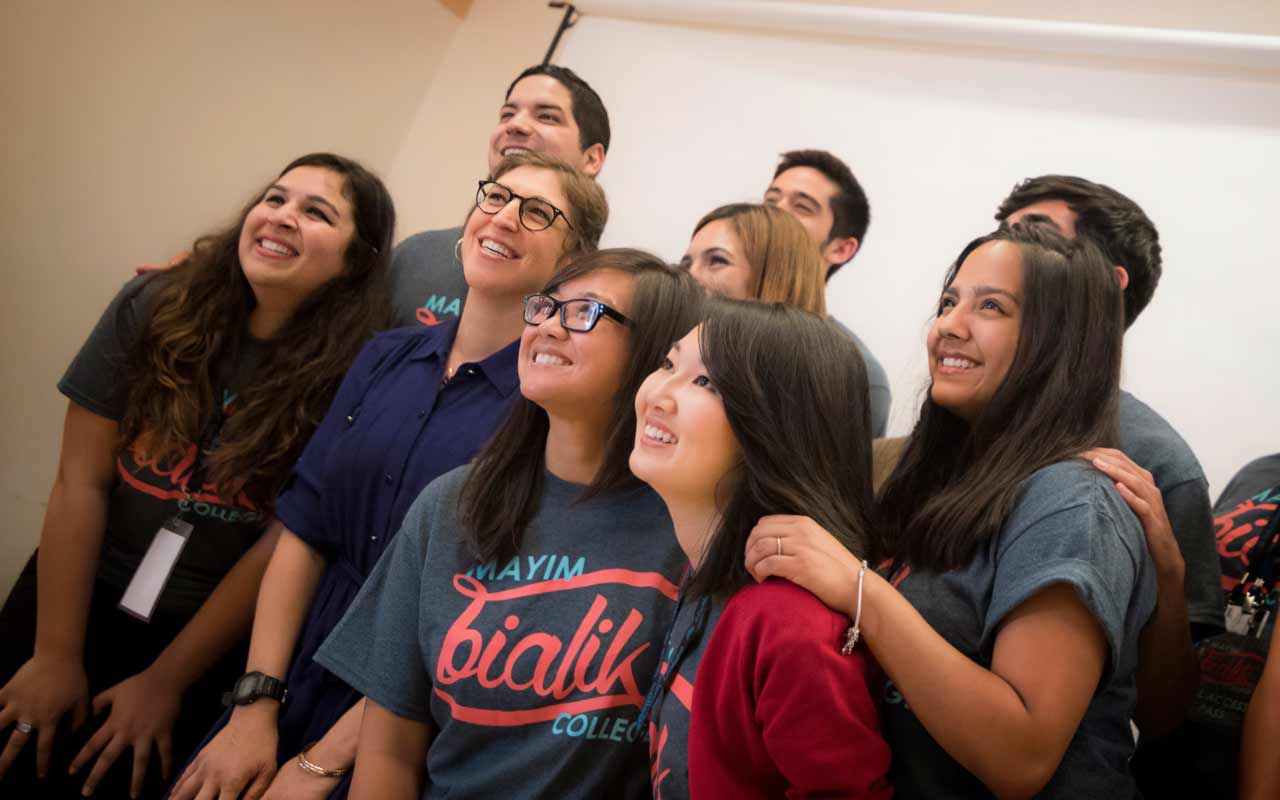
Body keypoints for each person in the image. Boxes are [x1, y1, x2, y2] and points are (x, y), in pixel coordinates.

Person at [169, 152, 606, 800]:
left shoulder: (548, 411)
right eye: (494, 197)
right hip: (290, 662)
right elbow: (304, 531)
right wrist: (254, 703)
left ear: (572, 262)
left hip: (403, 713)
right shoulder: (385, 355)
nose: (504, 218)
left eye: (537, 213)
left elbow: (469, 620)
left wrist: (323, 762)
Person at [0, 153, 395, 799]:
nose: (282, 217)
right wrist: (54, 655)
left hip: (198, 640)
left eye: (316, 211)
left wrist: (164, 684)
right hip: (71, 597)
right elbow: (80, 482)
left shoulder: (357, 373)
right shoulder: (155, 303)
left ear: (355, 261)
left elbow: (279, 545)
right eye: (274, 198)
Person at [747, 223, 1156, 797]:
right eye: (948, 301)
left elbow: (1021, 757)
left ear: (1059, 340)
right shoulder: (936, 475)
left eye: (991, 306)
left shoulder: (1074, 502)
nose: (948, 327)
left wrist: (860, 590)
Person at [314, 249, 704, 799]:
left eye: (585, 312)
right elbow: (389, 749)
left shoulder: (686, 528)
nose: (548, 326)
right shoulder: (450, 505)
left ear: (656, 357)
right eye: (546, 308)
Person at [631, 299, 892, 799]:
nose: (659, 394)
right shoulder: (707, 571)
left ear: (775, 424)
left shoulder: (789, 620)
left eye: (705, 383)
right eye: (668, 363)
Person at [997, 175, 1222, 741]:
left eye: (1032, 236)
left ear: (1107, 284)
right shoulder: (955, 425)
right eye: (1001, 232)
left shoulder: (1154, 460)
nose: (1001, 249)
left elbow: (1164, 710)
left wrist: (1167, 580)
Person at [390, 63, 610, 329]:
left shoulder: (602, 303)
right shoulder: (419, 256)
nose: (515, 125)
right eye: (507, 114)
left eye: (547, 117)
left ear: (592, 158)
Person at [763, 149, 891, 436]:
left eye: (802, 207)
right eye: (771, 200)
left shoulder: (855, 375)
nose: (774, 212)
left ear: (841, 248)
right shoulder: (701, 325)